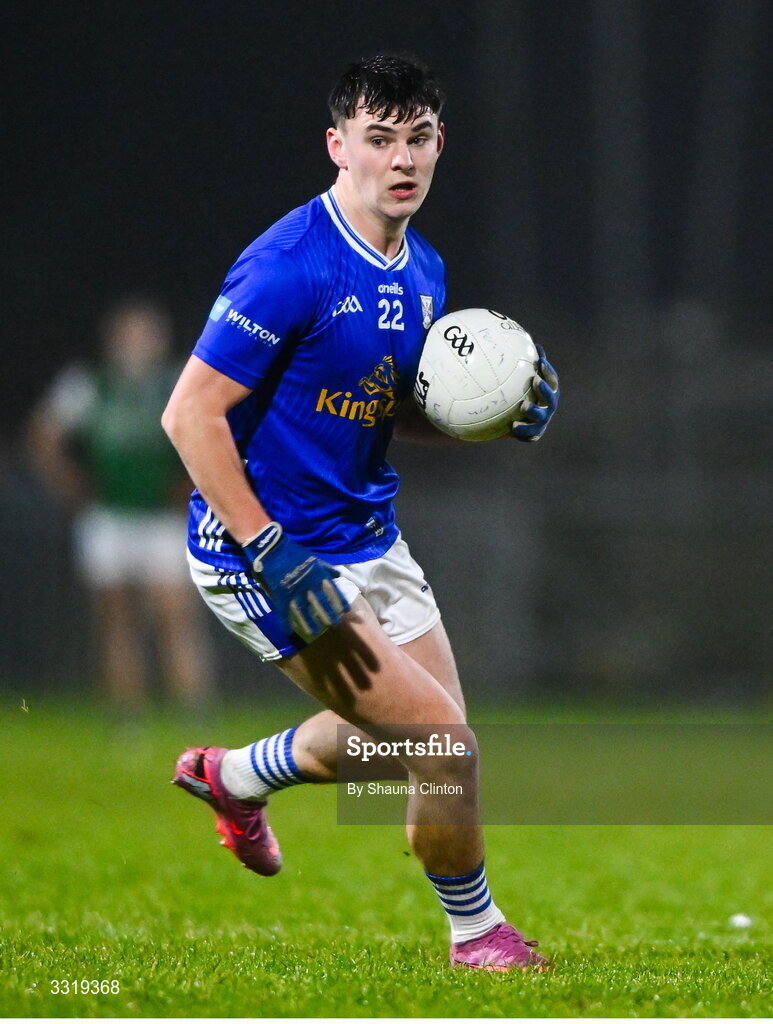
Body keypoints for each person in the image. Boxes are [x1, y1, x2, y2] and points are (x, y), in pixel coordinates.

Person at [163, 55, 559, 971]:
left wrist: (486, 417)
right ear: (338, 146)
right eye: (379, 139)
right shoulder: (287, 266)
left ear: (439, 142)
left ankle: (234, 777)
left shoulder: (422, 267)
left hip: (366, 536)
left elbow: (380, 406)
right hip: (263, 547)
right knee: (443, 747)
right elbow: (188, 416)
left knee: (414, 744)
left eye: (417, 138)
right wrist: (269, 547)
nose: (401, 159)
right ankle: (478, 936)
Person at [29, 296, 213, 715]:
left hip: (163, 516)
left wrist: (192, 483)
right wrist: (68, 482)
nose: (136, 343)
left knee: (175, 614)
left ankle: (193, 709)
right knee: (117, 617)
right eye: (128, 334)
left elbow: (213, 431)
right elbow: (44, 433)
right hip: (108, 513)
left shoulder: (177, 381)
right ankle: (127, 713)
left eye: (146, 334)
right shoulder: (90, 383)